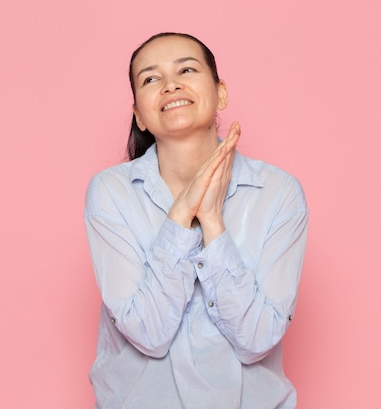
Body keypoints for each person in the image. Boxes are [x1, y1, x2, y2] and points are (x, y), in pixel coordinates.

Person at [84, 32, 308, 409]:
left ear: (220, 93)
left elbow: (258, 339)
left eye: (186, 69)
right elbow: (148, 333)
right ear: (139, 114)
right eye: (150, 79)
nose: (170, 85)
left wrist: (212, 221)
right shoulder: (110, 193)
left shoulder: (278, 193)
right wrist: (180, 218)